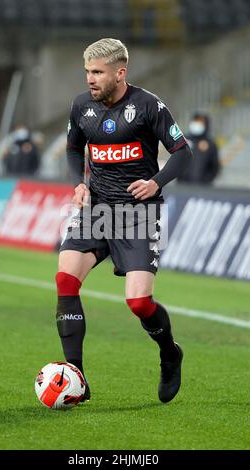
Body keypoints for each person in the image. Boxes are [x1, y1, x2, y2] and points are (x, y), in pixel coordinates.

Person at [56, 38, 192, 404]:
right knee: (66, 278)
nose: (90, 79)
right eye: (87, 71)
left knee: (138, 303)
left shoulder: (149, 106)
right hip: (97, 207)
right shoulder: (81, 106)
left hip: (137, 213)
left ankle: (170, 353)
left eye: (97, 72)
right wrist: (78, 184)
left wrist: (156, 182)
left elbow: (183, 152)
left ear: (120, 72)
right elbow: (73, 148)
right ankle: (77, 379)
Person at [178, 112, 220, 184]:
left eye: (200, 122)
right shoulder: (183, 140)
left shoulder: (211, 143)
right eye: (195, 121)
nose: (197, 124)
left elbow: (215, 166)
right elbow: (176, 161)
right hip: (183, 185)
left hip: (203, 187)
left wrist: (207, 180)